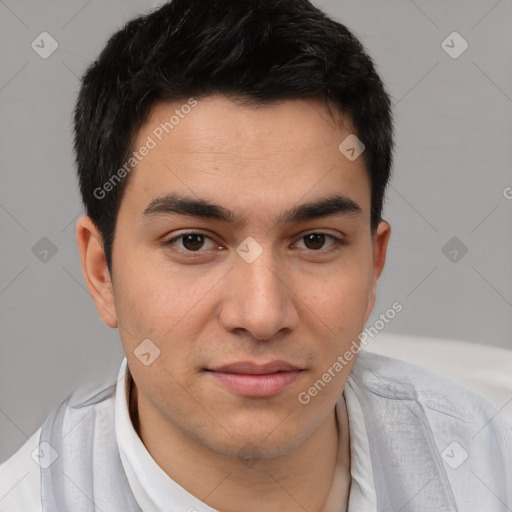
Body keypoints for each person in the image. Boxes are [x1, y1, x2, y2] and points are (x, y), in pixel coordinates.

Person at [1, 0, 511, 510]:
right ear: (101, 273)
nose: (262, 315)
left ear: (374, 266)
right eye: (193, 241)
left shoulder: (490, 467)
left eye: (315, 241)